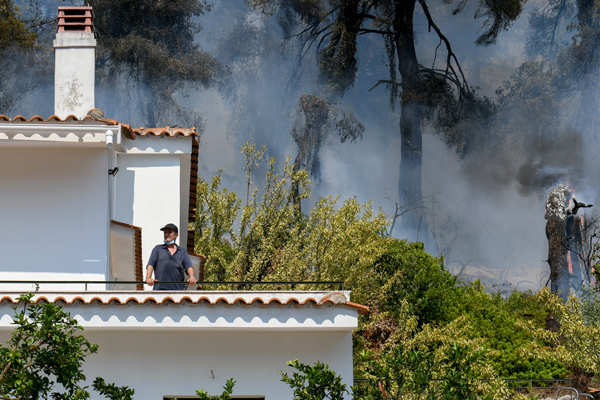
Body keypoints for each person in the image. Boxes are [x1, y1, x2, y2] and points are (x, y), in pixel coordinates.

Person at [145, 223, 197, 290]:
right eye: (165, 233)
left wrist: (192, 277)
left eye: (169, 232)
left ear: (176, 235)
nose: (166, 235)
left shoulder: (182, 251)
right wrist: (148, 278)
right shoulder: (157, 249)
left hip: (177, 293)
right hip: (159, 292)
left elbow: (189, 266)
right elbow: (150, 265)